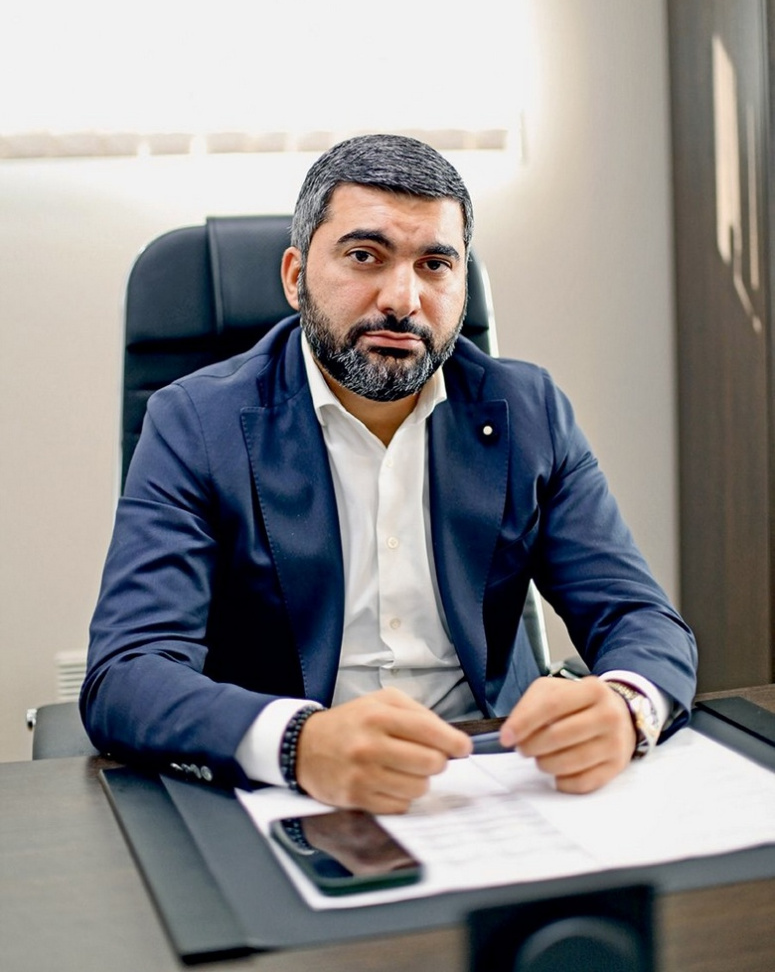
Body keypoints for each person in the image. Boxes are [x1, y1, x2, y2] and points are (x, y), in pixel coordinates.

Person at [81, 134, 697, 814]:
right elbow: (127, 674)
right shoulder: (195, 423)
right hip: (296, 794)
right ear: (295, 276)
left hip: (495, 776)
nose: (402, 299)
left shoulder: (530, 411)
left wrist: (628, 704)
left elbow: (637, 615)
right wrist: (297, 742)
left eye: (435, 264)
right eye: (364, 256)